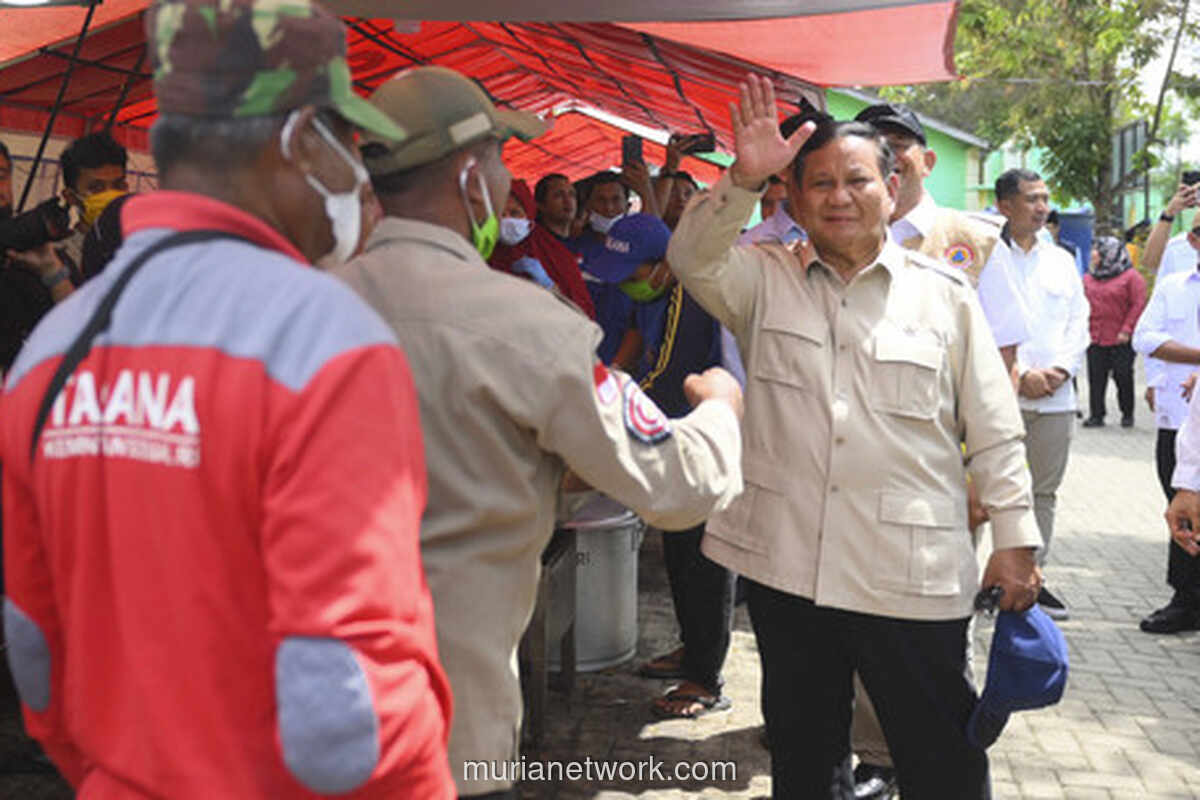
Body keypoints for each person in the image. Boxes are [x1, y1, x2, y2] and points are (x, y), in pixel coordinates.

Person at [0, 1, 456, 796]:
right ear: (297, 141)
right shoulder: (325, 342)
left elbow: (32, 646)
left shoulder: (53, 349)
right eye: (345, 144)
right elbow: (349, 708)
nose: (355, 175)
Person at [335, 65, 744, 799]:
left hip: (298, 719)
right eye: (500, 161)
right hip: (446, 733)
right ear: (471, 178)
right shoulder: (526, 327)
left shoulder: (295, 308)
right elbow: (675, 486)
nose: (507, 185)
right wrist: (720, 410)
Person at [667, 75, 1042, 800]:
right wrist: (742, 179)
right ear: (794, 197)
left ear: (891, 189)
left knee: (942, 757)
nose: (840, 196)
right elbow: (692, 258)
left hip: (909, 570)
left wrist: (1015, 541)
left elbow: (996, 431)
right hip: (790, 568)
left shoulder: (946, 298)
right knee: (804, 757)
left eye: (858, 180)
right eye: (821, 183)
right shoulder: (760, 280)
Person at [857, 102, 1029, 374]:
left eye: (898, 144)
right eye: (871, 145)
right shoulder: (837, 238)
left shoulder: (978, 241)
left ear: (928, 162)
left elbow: (1003, 353)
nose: (886, 154)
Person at [996, 167, 1089, 621]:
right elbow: (980, 322)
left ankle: (1034, 578)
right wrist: (1019, 373)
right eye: (1031, 199)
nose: (1041, 207)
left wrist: (1059, 371)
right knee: (994, 490)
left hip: (1056, 398)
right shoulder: (988, 257)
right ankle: (991, 578)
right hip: (1001, 397)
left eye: (1044, 198)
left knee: (1044, 494)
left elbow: (1078, 322)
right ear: (1005, 206)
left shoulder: (1061, 261)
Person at [1132, 189, 1200, 634]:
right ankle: (1186, 599)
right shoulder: (1174, 285)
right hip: (1179, 416)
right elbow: (1145, 337)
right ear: (1193, 241)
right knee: (1181, 505)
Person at [490, 179, 595, 317]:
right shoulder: (481, 250)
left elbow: (583, 312)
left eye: (514, 213)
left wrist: (550, 287)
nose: (507, 220)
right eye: (500, 214)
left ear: (528, 215)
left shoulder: (556, 253)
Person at [1081, 236, 1146, 428]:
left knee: (1122, 375)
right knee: (1096, 377)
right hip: (1095, 336)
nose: (1093, 254)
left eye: (1097, 250)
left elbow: (1138, 305)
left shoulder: (1131, 277)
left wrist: (1127, 329)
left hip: (1121, 338)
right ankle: (1096, 415)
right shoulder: (1089, 277)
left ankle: (1127, 413)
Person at [56, 131, 129, 274]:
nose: (111, 196)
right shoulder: (61, 257)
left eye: (118, 186)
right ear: (71, 197)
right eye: (96, 188)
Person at [533, 171, 577, 239]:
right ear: (541, 205)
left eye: (571, 194)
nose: (568, 201)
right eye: (558, 195)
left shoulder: (583, 241)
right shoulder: (535, 241)